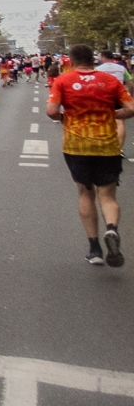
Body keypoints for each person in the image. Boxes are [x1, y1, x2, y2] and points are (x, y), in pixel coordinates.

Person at [47, 43, 134, 267]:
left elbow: (52, 111)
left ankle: (94, 249)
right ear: (93, 60)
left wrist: (65, 118)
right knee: (108, 195)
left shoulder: (62, 81)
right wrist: (110, 113)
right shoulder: (110, 80)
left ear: (71, 60)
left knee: (86, 194)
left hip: (77, 145)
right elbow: (131, 108)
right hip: (107, 145)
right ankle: (112, 229)